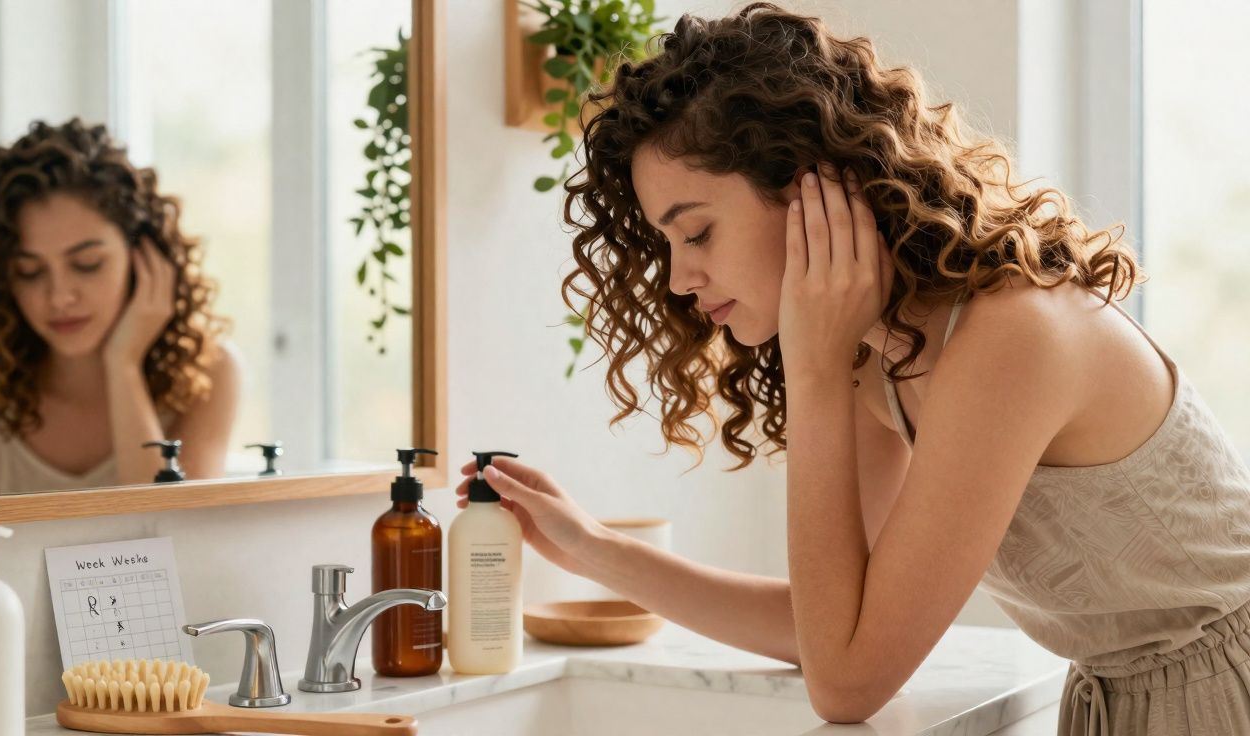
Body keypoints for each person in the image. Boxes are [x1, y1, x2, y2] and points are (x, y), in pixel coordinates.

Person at [455, 4, 1250, 733]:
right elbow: (828, 629)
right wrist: (590, 546)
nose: (677, 280)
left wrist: (812, 367)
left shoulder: (1010, 338)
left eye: (695, 233)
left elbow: (848, 682)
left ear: (811, 191)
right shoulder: (889, 358)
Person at [0, 118, 240, 495]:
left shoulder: (209, 373)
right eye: (29, 271)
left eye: (87, 264)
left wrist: (124, 366)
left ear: (145, 257)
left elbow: (176, 532)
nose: (60, 296)